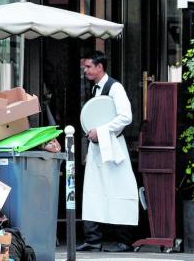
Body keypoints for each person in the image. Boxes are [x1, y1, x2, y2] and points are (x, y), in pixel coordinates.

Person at [76, 51, 138, 253]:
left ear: (99, 67)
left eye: (88, 67)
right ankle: (93, 240)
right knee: (93, 192)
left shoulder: (115, 88)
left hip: (113, 147)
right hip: (98, 148)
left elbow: (125, 117)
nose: (85, 70)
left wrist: (101, 131)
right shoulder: (95, 89)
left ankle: (124, 240)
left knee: (119, 190)